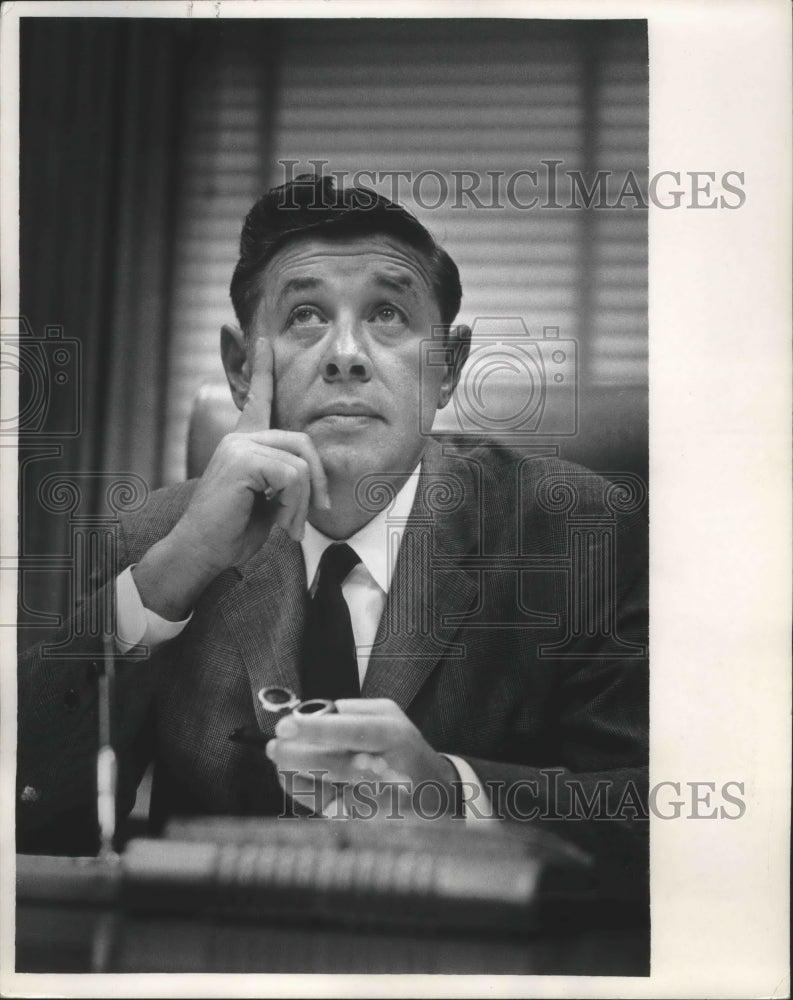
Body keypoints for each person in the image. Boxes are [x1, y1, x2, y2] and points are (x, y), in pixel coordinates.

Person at [17, 174, 648, 902]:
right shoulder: (156, 539)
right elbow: (30, 816)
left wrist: (452, 793)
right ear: (238, 365)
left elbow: (661, 831)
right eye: (306, 316)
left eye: (387, 314)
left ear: (447, 366)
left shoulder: (581, 534)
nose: (345, 353)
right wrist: (170, 573)